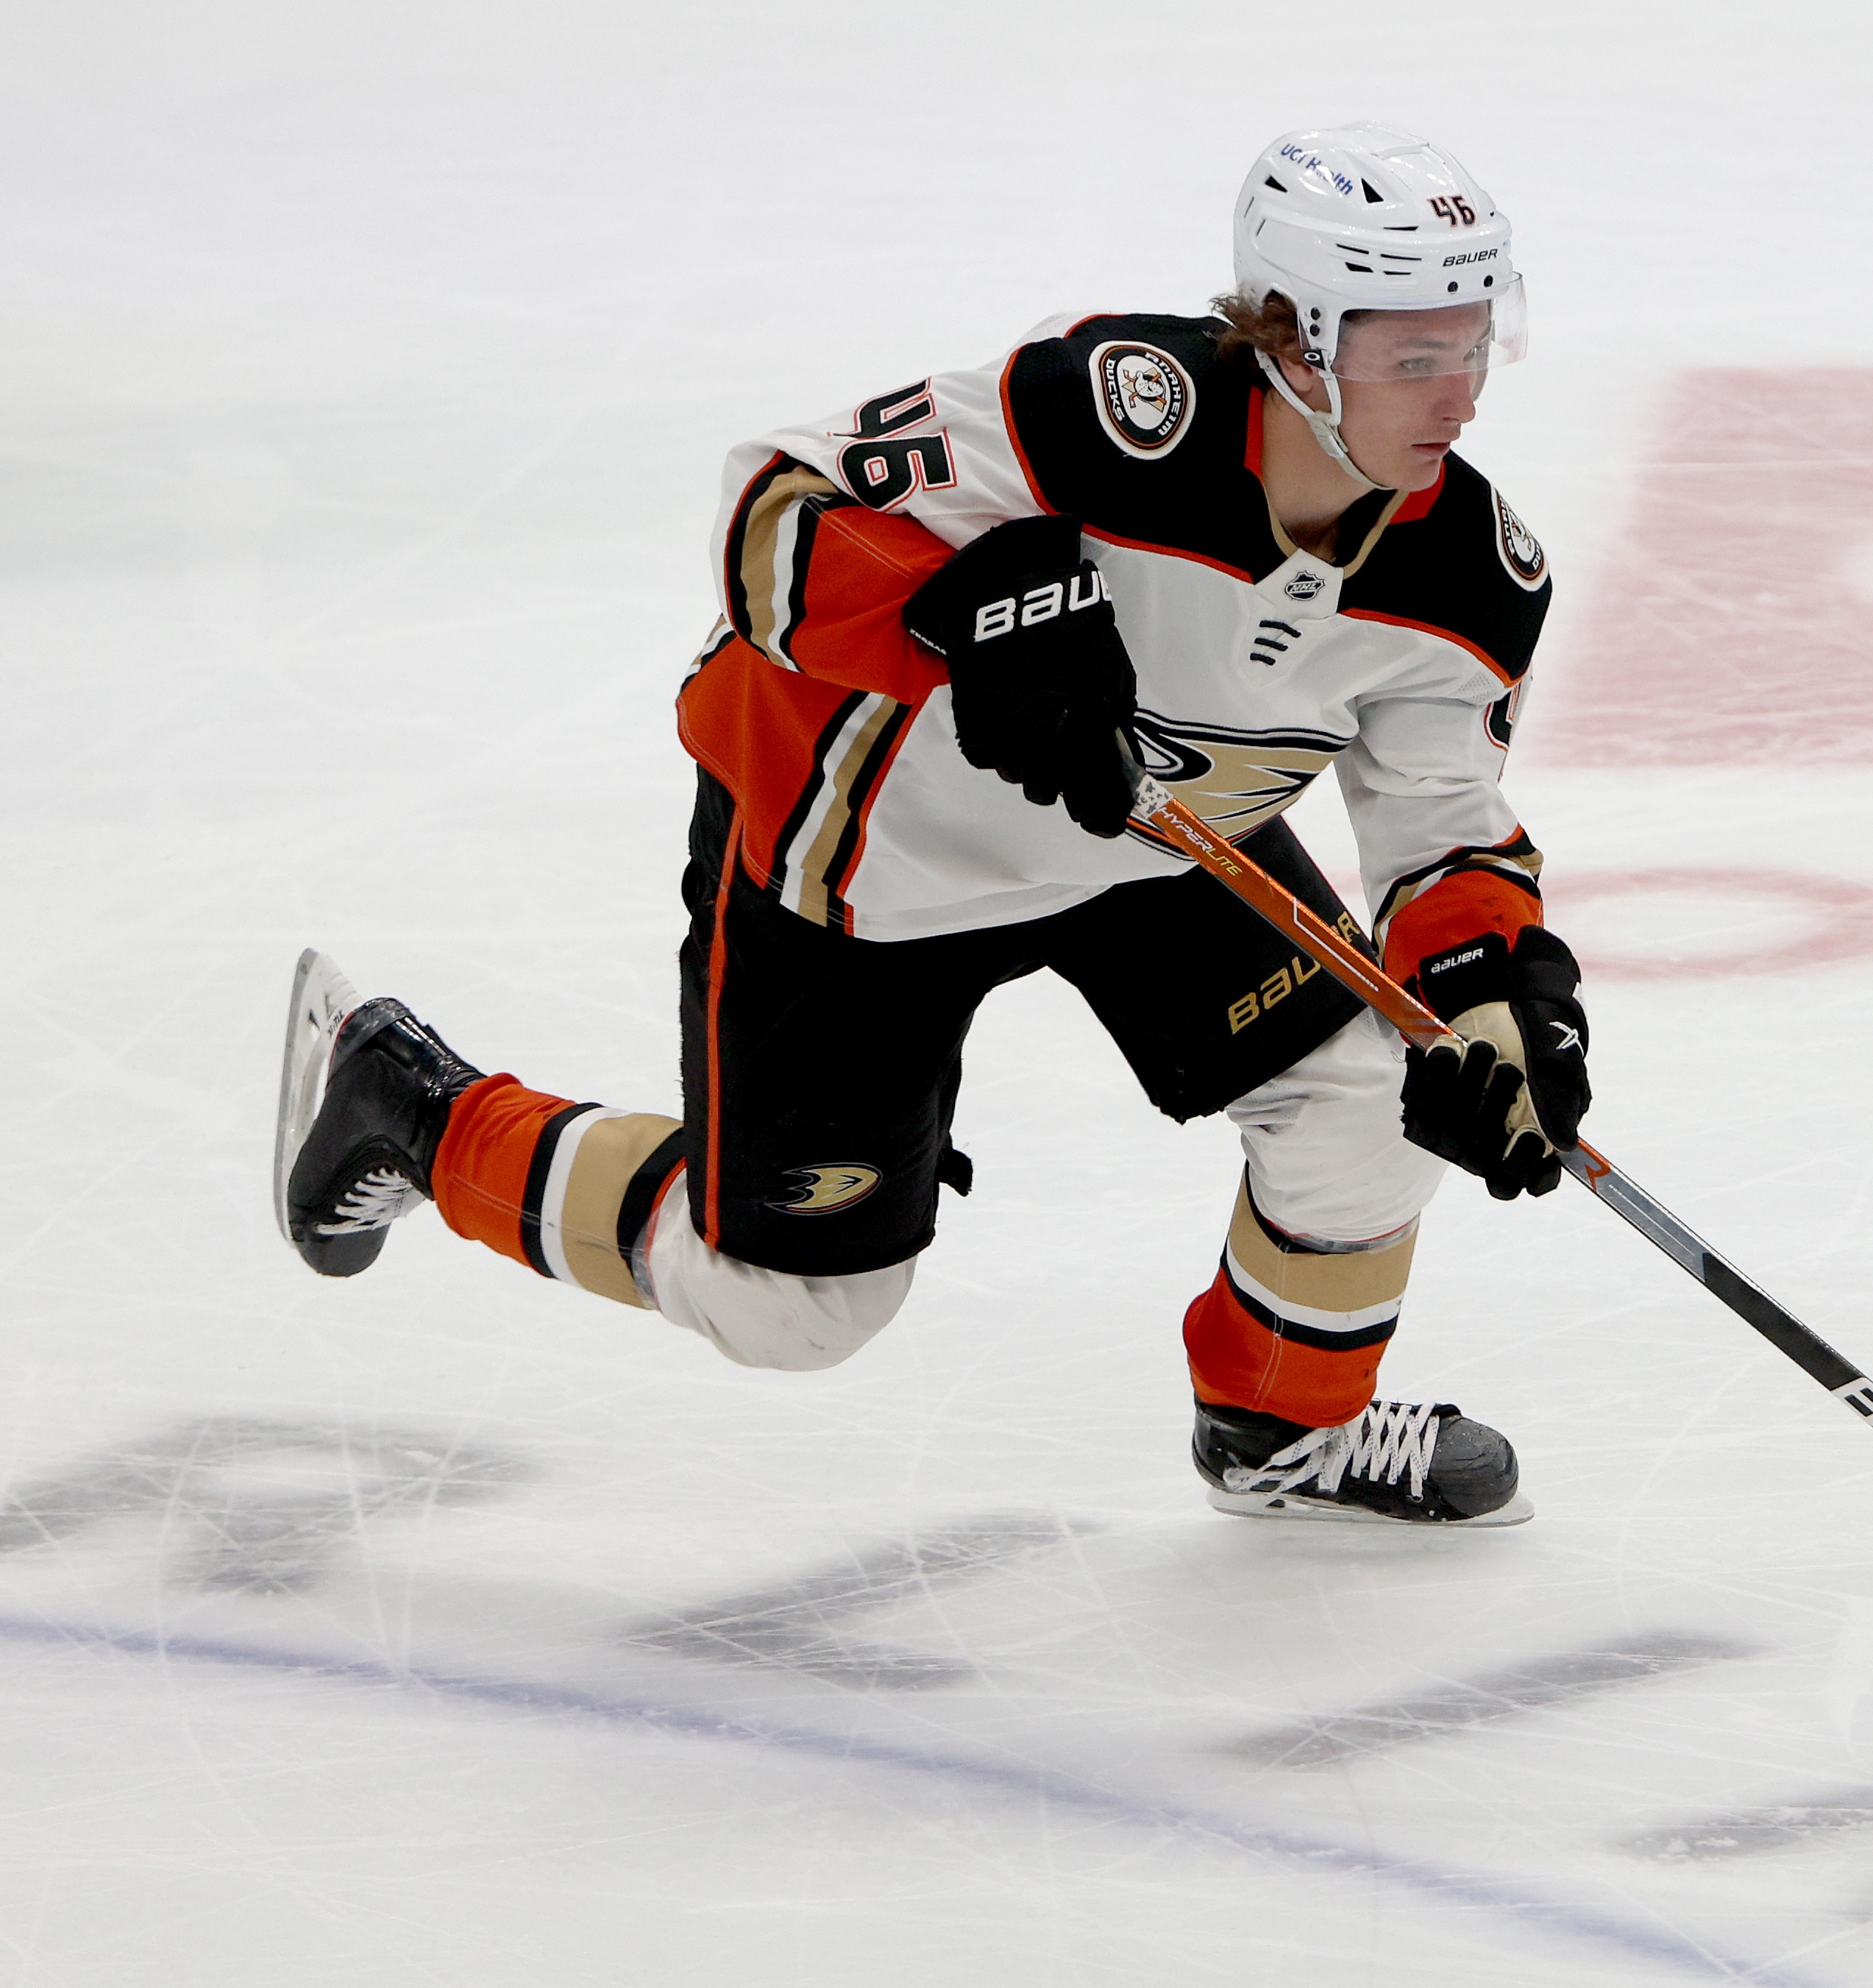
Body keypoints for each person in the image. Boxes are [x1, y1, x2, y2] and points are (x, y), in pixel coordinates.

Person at [270, 124, 1589, 1527]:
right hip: (870, 859)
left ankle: (1280, 1423)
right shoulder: (1113, 409)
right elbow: (769, 513)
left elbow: (1445, 835)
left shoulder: (1471, 581)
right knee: (788, 1308)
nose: (1457, 396)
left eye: (1473, 345)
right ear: (1295, 343)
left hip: (1151, 840)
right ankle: (414, 1109)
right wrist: (959, 618)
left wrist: (1497, 1007)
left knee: (1376, 1089)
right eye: (1411, 358)